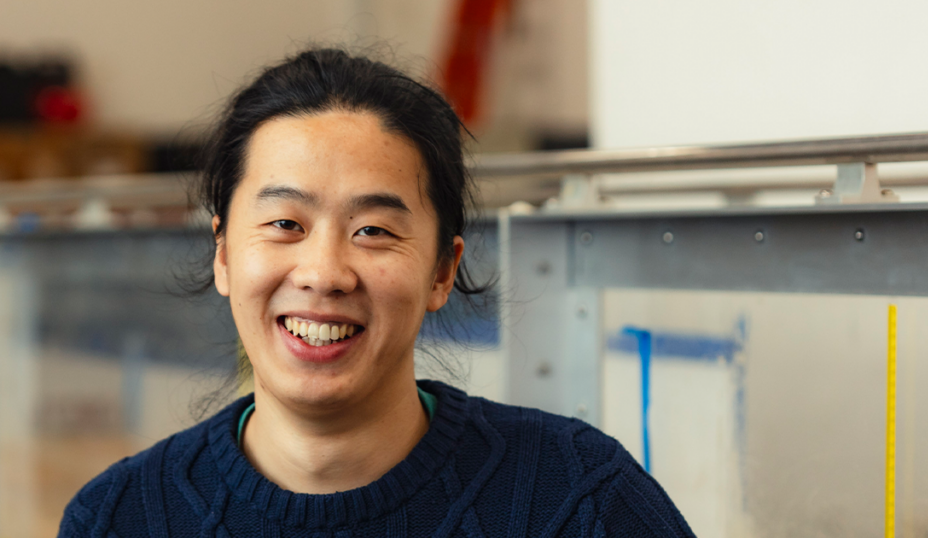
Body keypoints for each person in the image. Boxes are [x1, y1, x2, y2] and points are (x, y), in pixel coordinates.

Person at [58, 47, 696, 538]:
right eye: (285, 224)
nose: (324, 272)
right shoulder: (121, 517)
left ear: (442, 272)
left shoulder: (580, 501)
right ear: (223, 253)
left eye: (373, 230)